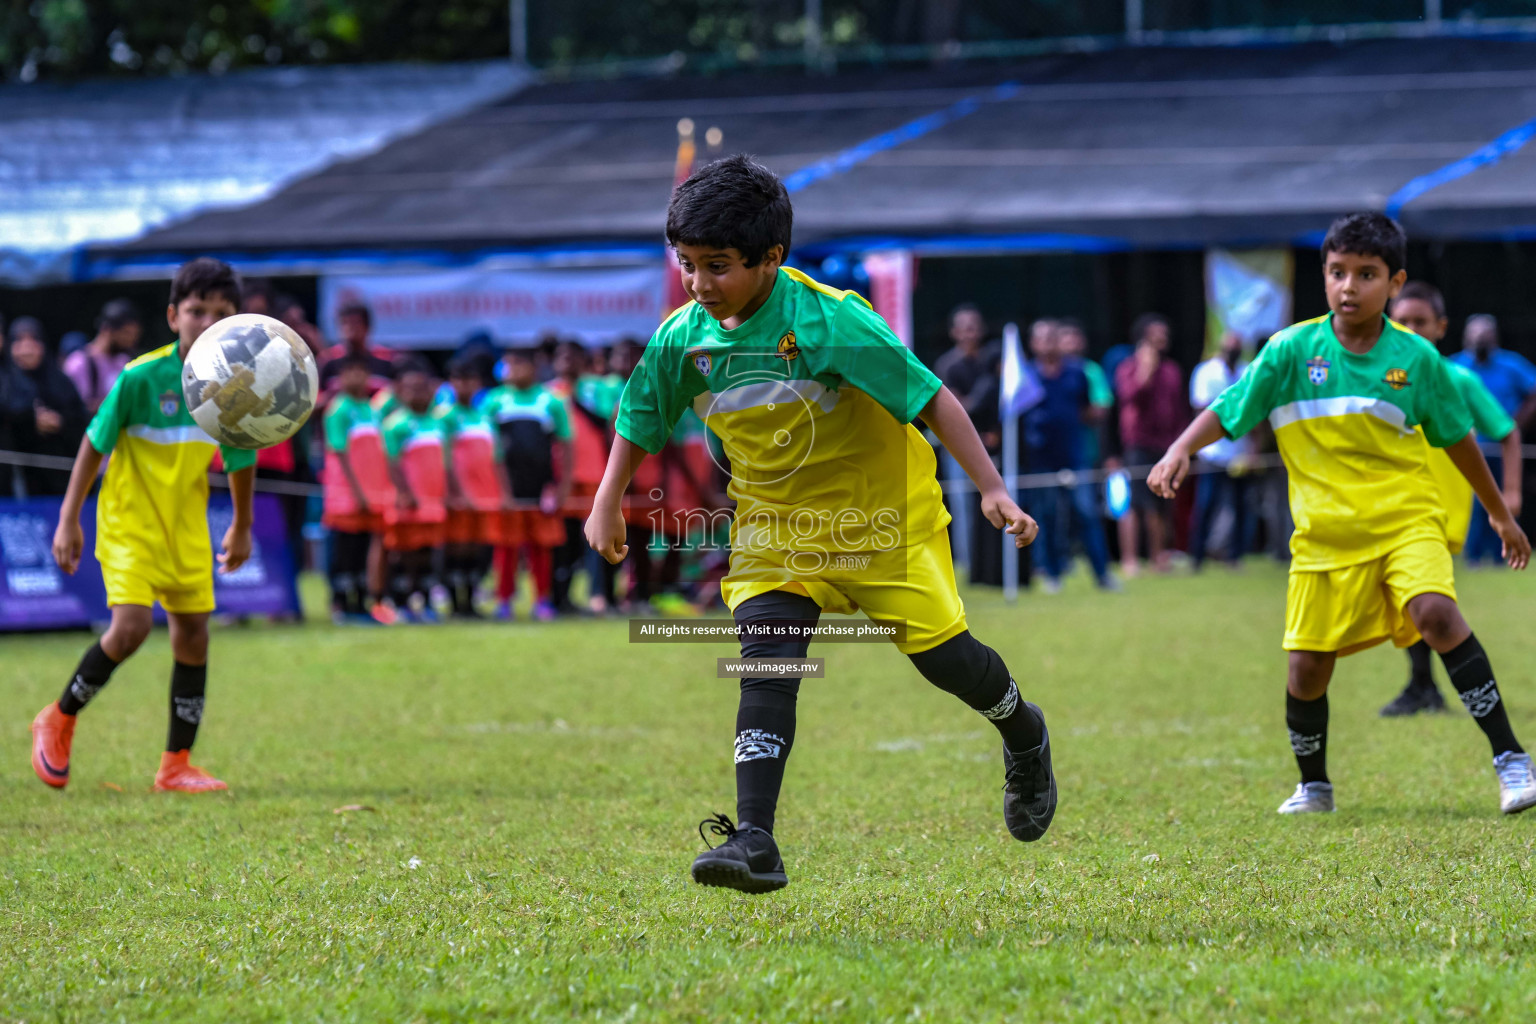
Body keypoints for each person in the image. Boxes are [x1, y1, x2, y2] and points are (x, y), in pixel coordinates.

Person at [586, 155, 1057, 894]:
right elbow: (640, 413)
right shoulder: (683, 336)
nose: (700, 284)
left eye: (718, 267)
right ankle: (755, 840)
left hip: (881, 518)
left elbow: (932, 399)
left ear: (771, 258)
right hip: (777, 525)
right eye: (687, 265)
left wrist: (991, 489)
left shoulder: (830, 320)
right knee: (767, 654)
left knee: (947, 661)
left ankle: (1023, 732)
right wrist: (608, 498)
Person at [1148, 212, 1536, 817]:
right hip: (1324, 538)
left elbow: (1461, 438)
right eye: (1337, 272)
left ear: (1395, 282)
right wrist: (1179, 448)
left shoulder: (1418, 360)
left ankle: (1511, 759)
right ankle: (1314, 786)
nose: (1349, 286)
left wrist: (1501, 514)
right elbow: (1232, 408)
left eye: (1366, 274)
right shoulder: (1292, 350)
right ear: (1324, 276)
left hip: (1405, 521)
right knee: (1306, 671)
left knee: (1436, 612)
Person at [33, 257, 256, 793]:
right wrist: (69, 519)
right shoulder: (139, 377)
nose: (206, 322)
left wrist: (242, 526)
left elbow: (240, 457)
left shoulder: (233, 387)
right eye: (197, 311)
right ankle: (58, 717)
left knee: (194, 638)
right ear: (173, 314)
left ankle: (176, 764)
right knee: (130, 628)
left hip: (185, 527)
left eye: (220, 313)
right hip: (128, 522)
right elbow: (93, 444)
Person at [1379, 282, 1524, 717]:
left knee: (1425, 600)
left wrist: (1510, 492)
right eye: (1401, 322)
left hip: (1441, 506)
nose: (1410, 329)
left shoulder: (1459, 378)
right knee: (1405, 600)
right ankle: (1423, 685)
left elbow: (1507, 432)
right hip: (1391, 501)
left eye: (1419, 322)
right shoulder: (1384, 375)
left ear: (1441, 328)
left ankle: (1428, 686)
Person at [482, 347, 571, 622]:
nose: (514, 371)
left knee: (541, 548)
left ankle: (542, 601)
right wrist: (501, 491)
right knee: (506, 549)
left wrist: (562, 487)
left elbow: (565, 446)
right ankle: (504, 602)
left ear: (532, 368)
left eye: (519, 364)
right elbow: (490, 450)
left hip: (541, 488)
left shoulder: (551, 401)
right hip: (508, 489)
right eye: (510, 365)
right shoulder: (494, 401)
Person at [1024, 318, 1113, 591]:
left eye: (1053, 336)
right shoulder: (1026, 375)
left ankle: (1103, 575)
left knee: (1087, 514)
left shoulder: (1077, 373)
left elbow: (1087, 411)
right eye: (1043, 337)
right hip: (1040, 459)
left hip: (1075, 456)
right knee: (1046, 517)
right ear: (1033, 343)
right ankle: (1051, 574)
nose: (1049, 342)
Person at [1449, 314, 1535, 565]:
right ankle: (1472, 556)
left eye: (1485, 337)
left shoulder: (1510, 365)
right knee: (1475, 505)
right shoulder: (1456, 368)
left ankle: (1506, 554)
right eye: (1475, 337)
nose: (1480, 342)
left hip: (1502, 444)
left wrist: (1516, 423)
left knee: (1506, 502)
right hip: (1468, 446)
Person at [321, 353, 390, 623]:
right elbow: (341, 454)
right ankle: (341, 604)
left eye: (361, 371)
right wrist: (357, 492)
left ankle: (361, 603)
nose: (356, 377)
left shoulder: (372, 409)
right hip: (345, 494)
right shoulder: (338, 409)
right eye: (349, 372)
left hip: (371, 494)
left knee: (363, 549)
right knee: (344, 550)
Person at [1115, 314, 1186, 574]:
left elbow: (1179, 410)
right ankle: (1130, 559)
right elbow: (1131, 395)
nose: (1162, 339)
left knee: (1161, 503)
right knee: (1133, 504)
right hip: (1138, 444)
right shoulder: (1128, 367)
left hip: (1165, 444)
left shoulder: (1172, 370)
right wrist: (1146, 367)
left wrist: (1182, 444)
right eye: (1157, 334)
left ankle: (1159, 557)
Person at [442, 357, 512, 619]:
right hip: (461, 497)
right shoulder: (445, 417)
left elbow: (497, 459)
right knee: (456, 547)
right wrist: (456, 493)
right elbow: (445, 461)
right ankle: (455, 604)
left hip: (486, 496)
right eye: (459, 380)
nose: (465, 385)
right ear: (451, 384)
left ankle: (470, 603)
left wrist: (504, 493)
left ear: (478, 384)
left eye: (470, 380)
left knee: (478, 548)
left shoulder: (485, 417)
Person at [381, 360, 449, 624]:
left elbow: (444, 463)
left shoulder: (438, 423)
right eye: (411, 389)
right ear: (401, 392)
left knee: (429, 551)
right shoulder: (395, 424)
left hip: (433, 500)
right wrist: (404, 492)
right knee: (404, 551)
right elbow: (392, 462)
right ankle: (402, 601)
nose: (417, 393)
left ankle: (427, 600)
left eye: (422, 388)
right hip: (408, 502)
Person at [933, 303, 997, 579]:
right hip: (957, 448)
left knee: (993, 501)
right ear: (954, 332)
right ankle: (967, 565)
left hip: (992, 444)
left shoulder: (991, 362)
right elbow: (953, 406)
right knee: (962, 508)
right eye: (964, 328)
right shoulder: (947, 364)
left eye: (974, 327)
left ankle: (988, 566)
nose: (970, 333)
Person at [547, 339, 607, 614]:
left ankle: (600, 595)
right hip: (562, 476)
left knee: (596, 538)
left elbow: (606, 422)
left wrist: (574, 399)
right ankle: (561, 597)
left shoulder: (598, 388)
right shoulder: (547, 392)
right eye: (562, 357)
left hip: (595, 472)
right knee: (564, 538)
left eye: (572, 357)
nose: (566, 362)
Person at [1187, 330, 1254, 568]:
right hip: (1212, 451)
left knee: (1240, 506)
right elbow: (1202, 410)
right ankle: (1196, 557)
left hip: (1240, 452)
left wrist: (1253, 448)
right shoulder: (1206, 372)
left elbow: (1255, 412)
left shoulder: (1248, 371)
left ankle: (1235, 556)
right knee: (1206, 505)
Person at [2, 317, 88, 496]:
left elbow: (82, 422)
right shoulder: (5, 382)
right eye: (19, 341)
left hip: (62, 483)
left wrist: (60, 422)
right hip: (12, 487)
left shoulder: (61, 383)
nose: (27, 348)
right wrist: (30, 420)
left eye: (33, 340)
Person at [63, 299, 141, 413]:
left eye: (134, 335)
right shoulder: (78, 363)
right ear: (107, 330)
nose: (131, 340)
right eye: (126, 333)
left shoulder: (124, 361)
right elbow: (74, 409)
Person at [318, 301, 394, 404]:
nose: (349, 328)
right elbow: (314, 405)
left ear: (367, 327)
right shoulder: (328, 362)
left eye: (355, 323)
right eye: (344, 323)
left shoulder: (385, 363)